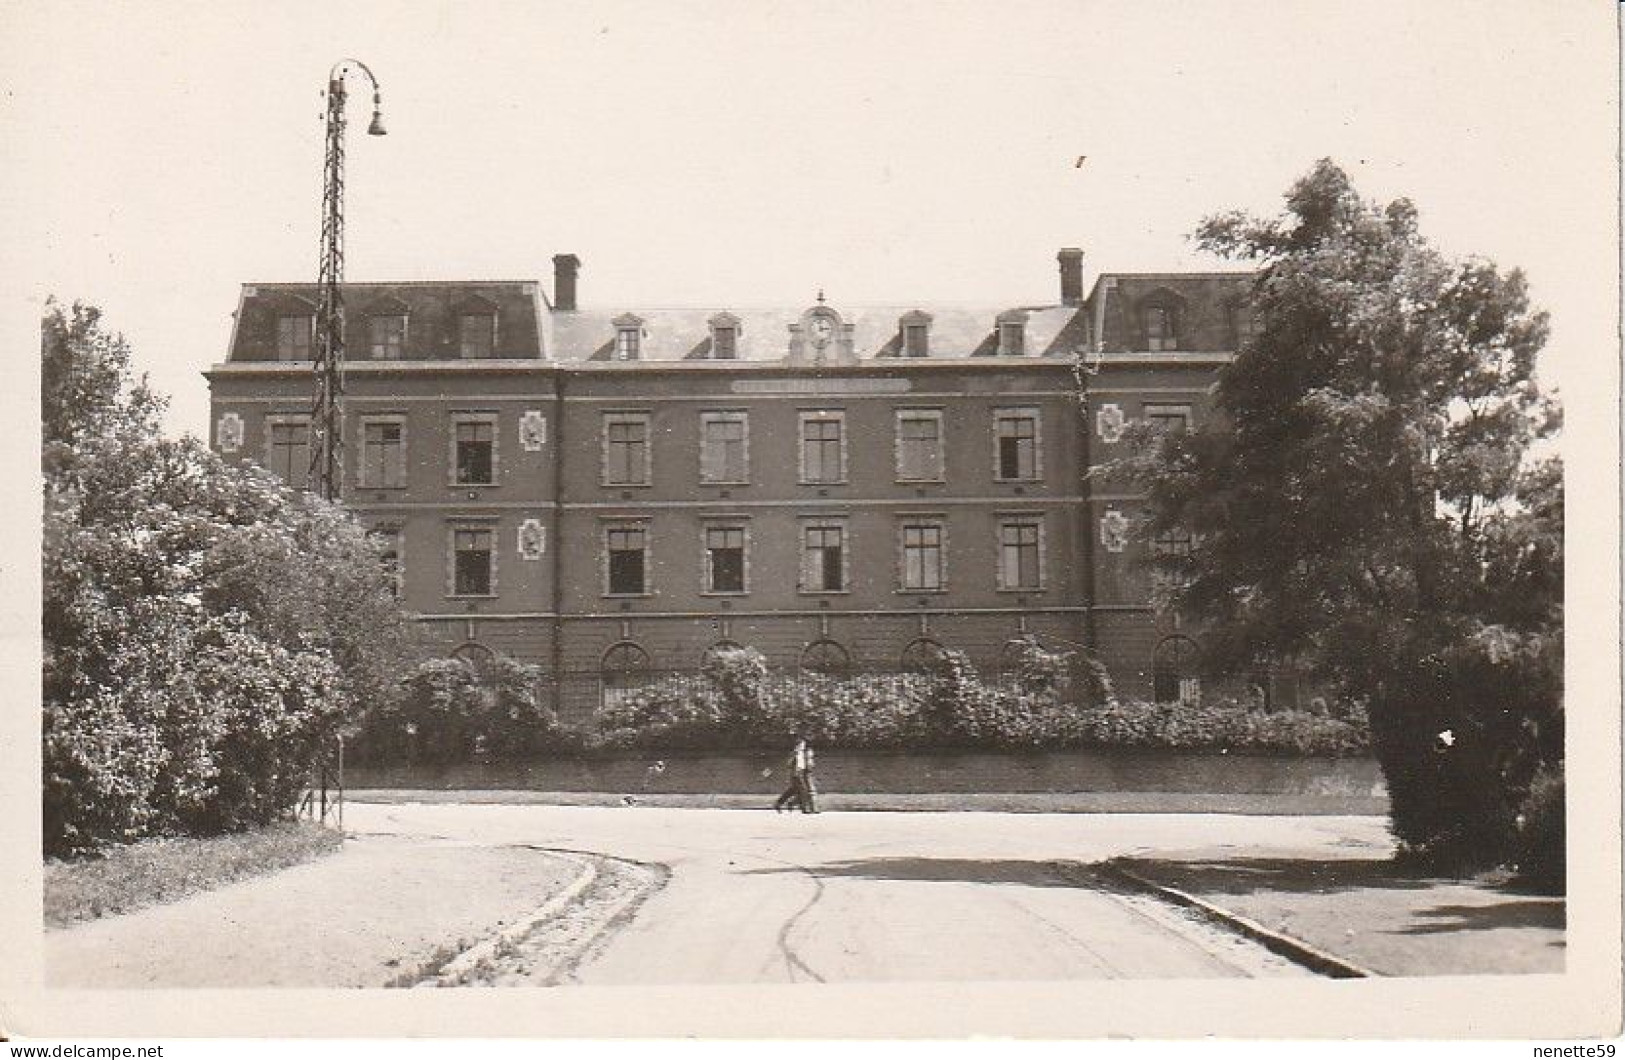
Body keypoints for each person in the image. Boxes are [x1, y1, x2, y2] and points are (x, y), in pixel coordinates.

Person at [773, 735, 818, 814]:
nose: (803, 745)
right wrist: (794, 756)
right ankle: (803, 808)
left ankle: (780, 804)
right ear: (798, 745)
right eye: (801, 744)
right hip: (796, 773)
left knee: (793, 790)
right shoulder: (795, 753)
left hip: (802, 773)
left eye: (803, 744)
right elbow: (789, 764)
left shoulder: (804, 753)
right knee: (803, 790)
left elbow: (807, 762)